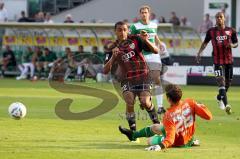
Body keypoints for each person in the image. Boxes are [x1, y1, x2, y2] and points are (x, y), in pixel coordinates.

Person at [104, 21, 160, 132]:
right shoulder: (112, 47)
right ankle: (133, 132)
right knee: (129, 101)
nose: (122, 32)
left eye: (124, 29)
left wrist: (146, 40)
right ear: (115, 31)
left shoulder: (136, 39)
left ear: (127, 30)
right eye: (119, 30)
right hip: (127, 79)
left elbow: (155, 50)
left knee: (145, 102)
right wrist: (113, 58)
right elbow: (105, 70)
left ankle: (158, 125)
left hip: (143, 75)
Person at [119, 84, 213, 151]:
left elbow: (171, 139)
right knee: (156, 127)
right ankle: (133, 135)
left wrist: (160, 146)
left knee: (149, 140)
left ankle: (142, 136)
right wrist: (201, 106)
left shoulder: (169, 115)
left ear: (168, 99)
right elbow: (209, 117)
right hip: (188, 137)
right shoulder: (190, 102)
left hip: (178, 143)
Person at [196, 12, 238, 114]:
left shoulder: (231, 30)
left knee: (227, 84)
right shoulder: (211, 31)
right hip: (217, 61)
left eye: (221, 17)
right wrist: (199, 53)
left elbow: (236, 43)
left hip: (229, 61)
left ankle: (219, 97)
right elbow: (205, 43)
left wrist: (231, 45)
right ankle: (227, 104)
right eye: (217, 17)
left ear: (224, 19)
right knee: (221, 83)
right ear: (215, 19)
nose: (219, 19)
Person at [130, 5, 166, 115]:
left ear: (149, 14)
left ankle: (160, 106)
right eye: (142, 12)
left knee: (156, 79)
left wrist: (159, 43)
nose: (144, 14)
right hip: (141, 56)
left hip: (154, 55)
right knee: (143, 81)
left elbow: (154, 35)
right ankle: (144, 100)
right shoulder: (135, 26)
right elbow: (131, 39)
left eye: (146, 12)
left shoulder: (154, 25)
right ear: (139, 14)